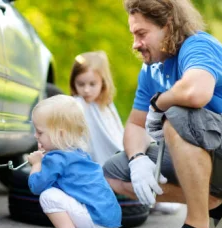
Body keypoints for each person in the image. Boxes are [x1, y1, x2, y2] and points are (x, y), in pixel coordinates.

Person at [103, 0, 222, 228]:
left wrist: (158, 104)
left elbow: (196, 93)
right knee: (115, 172)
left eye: (142, 34)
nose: (135, 44)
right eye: (133, 34)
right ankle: (218, 205)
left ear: (168, 27)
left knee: (176, 114)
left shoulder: (198, 46)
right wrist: (138, 160)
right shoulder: (150, 70)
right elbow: (135, 125)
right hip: (216, 157)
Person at [71, 51, 181, 214]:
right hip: (99, 163)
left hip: (115, 153)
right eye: (81, 84)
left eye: (92, 84)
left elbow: (117, 134)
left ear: (103, 83)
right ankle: (148, 199)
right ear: (74, 83)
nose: (86, 90)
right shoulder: (77, 104)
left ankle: (154, 197)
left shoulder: (106, 106)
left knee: (147, 159)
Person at [27, 94, 121, 228]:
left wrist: (36, 164)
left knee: (48, 195)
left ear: (60, 134)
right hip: (109, 222)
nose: (36, 136)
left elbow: (36, 186)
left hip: (96, 224)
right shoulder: (79, 155)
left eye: (40, 132)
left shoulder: (56, 159)